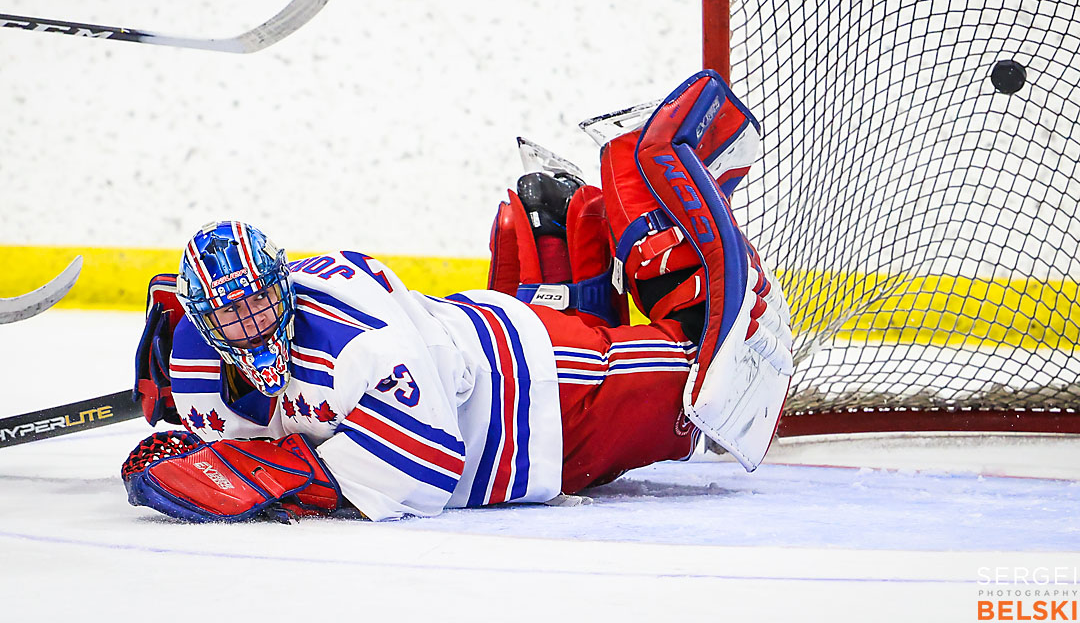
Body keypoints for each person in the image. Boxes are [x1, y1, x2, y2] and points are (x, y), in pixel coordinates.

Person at [122, 69, 794, 523]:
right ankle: (571, 237)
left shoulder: (356, 336)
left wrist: (269, 471)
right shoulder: (191, 359)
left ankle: (657, 166)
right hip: (493, 338)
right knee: (532, 229)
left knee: (716, 388)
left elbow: (428, 462)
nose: (252, 322)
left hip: (544, 397)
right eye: (231, 314)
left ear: (282, 282)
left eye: (261, 303)